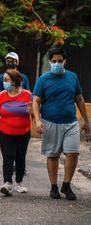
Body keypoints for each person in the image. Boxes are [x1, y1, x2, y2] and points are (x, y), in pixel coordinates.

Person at [33, 47, 90, 200]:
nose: (57, 63)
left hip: (71, 123)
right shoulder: (43, 80)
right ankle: (53, 187)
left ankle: (66, 184)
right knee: (53, 155)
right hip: (50, 123)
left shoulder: (73, 77)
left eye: (59, 61)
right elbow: (36, 101)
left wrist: (86, 120)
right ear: (50, 62)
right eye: (54, 61)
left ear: (65, 61)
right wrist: (38, 121)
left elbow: (79, 99)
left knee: (73, 153)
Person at [0, 69, 32, 196]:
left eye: (7, 80)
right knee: (8, 156)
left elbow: (34, 113)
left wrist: (32, 111)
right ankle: (7, 183)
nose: (4, 83)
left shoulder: (27, 95)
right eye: (4, 80)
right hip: (5, 132)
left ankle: (19, 183)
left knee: (20, 157)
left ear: (14, 81)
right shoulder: (2, 95)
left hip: (23, 132)